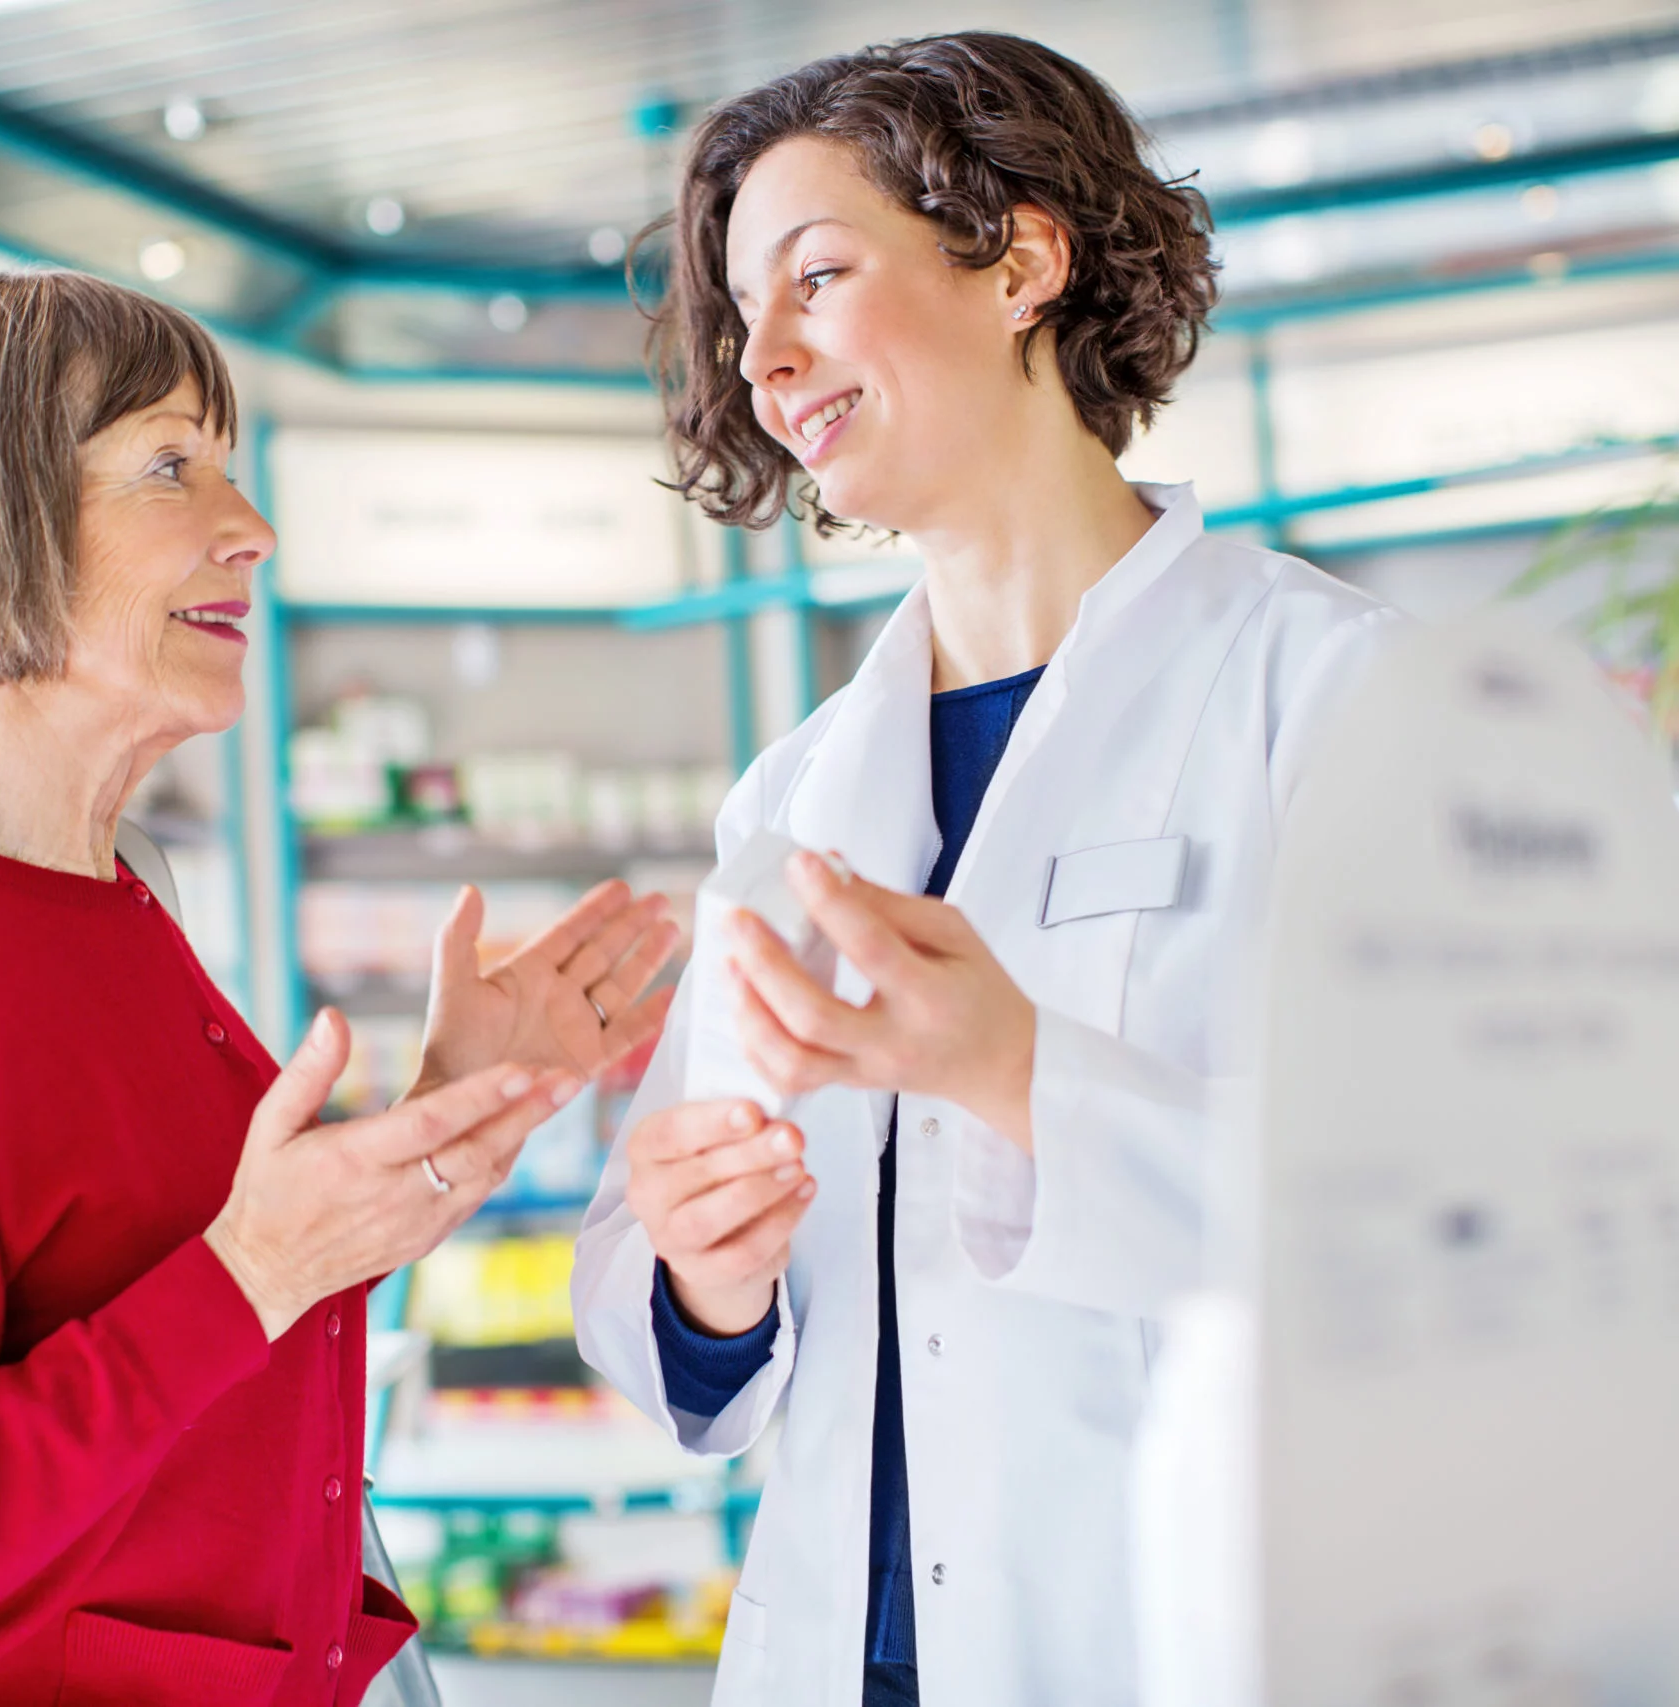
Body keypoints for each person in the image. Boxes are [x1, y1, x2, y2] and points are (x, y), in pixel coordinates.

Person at [0, 272, 678, 1706]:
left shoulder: (118, 906)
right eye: (170, 466)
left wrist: (443, 1119)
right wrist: (254, 1267)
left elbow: (173, 1312)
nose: (250, 531)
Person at [572, 32, 1396, 1707]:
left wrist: (1025, 1078)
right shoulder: (796, 797)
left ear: (1021, 259)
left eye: (818, 276)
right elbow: (639, 1262)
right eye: (743, 315)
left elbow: (1441, 1235)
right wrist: (701, 1282)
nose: (768, 358)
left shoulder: (1327, 697)